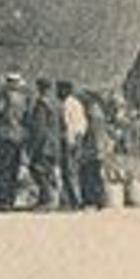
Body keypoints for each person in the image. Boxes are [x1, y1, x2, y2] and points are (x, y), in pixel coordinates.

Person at [0, 72, 30, 211]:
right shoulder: (24, 96)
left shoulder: (4, 94)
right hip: (19, 136)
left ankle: (3, 200)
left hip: (5, 135)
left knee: (1, 169)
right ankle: (11, 199)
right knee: (13, 168)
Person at [26, 77, 63, 211]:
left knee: (37, 170)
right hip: (54, 143)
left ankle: (47, 199)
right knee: (47, 171)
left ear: (39, 89)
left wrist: (33, 147)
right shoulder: (56, 104)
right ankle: (44, 200)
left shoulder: (41, 105)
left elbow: (39, 129)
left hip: (44, 144)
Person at [59, 81, 88, 210]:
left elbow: (66, 124)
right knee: (74, 171)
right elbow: (83, 124)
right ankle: (73, 200)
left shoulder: (66, 104)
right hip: (78, 139)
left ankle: (74, 201)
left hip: (70, 141)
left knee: (69, 171)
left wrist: (69, 140)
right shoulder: (77, 104)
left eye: (59, 90)